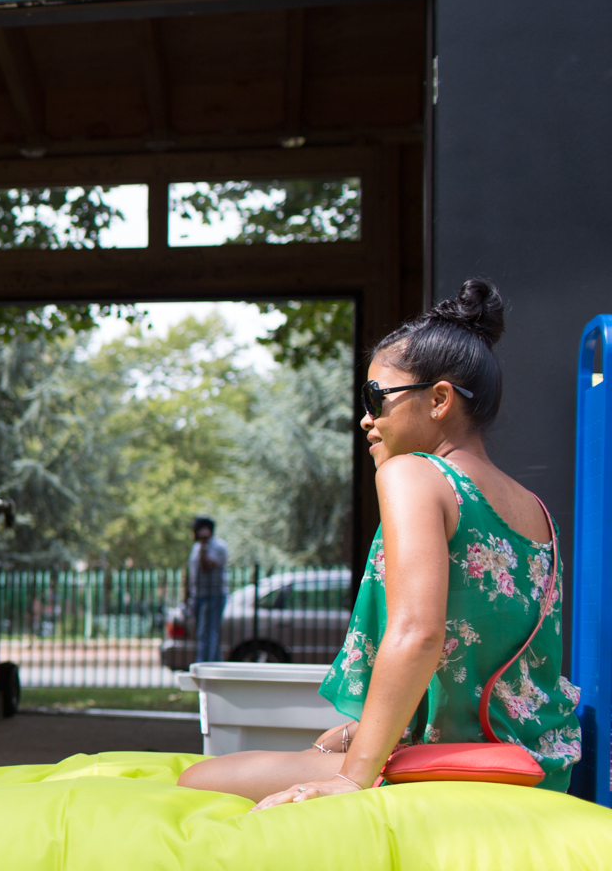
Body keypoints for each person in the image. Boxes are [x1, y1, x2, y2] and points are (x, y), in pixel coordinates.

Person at [180, 279, 580, 808]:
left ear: (439, 400)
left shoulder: (413, 475)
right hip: (536, 764)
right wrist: (358, 733)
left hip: (455, 766)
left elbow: (417, 633)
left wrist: (352, 778)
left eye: (376, 397)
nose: (367, 418)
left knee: (195, 784)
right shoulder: (536, 509)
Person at [186, 516, 229, 664]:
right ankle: (216, 668)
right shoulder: (196, 546)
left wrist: (204, 545)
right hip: (198, 595)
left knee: (207, 634)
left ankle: (202, 668)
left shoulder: (218, 546)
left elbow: (206, 567)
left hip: (213, 596)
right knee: (207, 635)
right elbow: (191, 573)